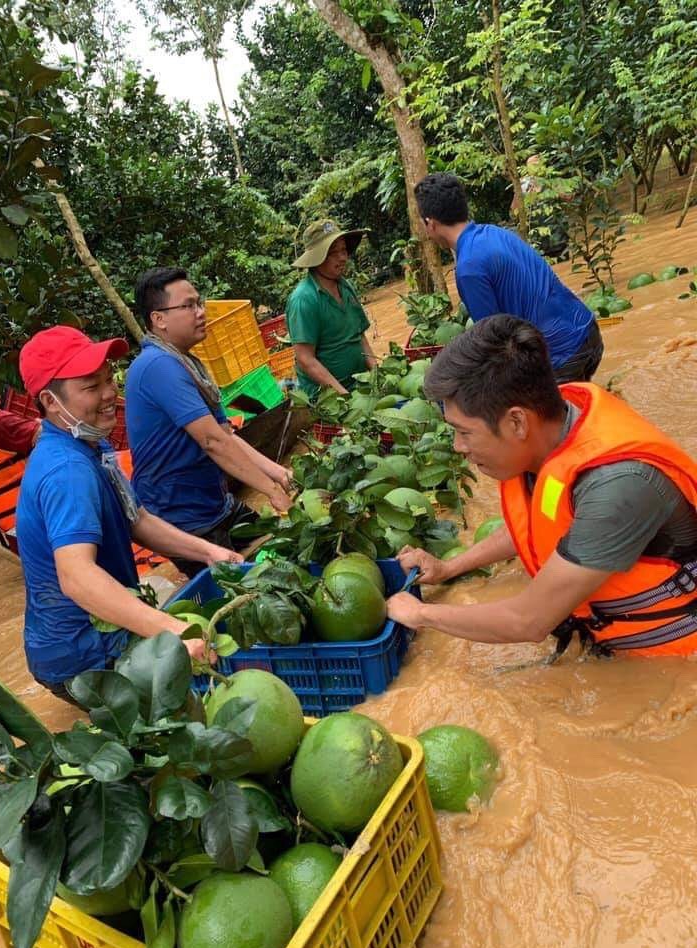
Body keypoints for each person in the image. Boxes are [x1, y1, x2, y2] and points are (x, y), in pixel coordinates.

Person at [387, 313, 697, 658]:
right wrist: (449, 567)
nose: (459, 447)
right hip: (607, 634)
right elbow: (538, 522)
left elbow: (529, 620)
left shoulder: (617, 487)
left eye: (465, 432)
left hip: (675, 660)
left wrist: (421, 614)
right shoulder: (549, 426)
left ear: (517, 421)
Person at [16, 325, 243, 701]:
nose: (109, 394)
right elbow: (76, 576)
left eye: (109, 379)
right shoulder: (66, 472)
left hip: (99, 633)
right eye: (91, 387)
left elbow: (136, 518)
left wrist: (209, 552)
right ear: (51, 402)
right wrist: (169, 630)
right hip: (84, 657)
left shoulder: (90, 442)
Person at [126, 268, 292, 578]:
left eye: (199, 303)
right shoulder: (157, 366)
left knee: (280, 552)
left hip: (216, 504)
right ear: (158, 319)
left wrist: (280, 474)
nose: (200, 312)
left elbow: (225, 435)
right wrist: (270, 489)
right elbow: (212, 442)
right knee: (250, 591)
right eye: (188, 306)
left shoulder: (186, 363)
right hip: (185, 519)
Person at [415, 172, 602, 383]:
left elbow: (495, 344)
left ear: (430, 223)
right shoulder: (496, 232)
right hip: (588, 332)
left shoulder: (469, 268)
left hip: (562, 357)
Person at [286, 219, 378, 398]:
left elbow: (359, 336)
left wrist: (377, 375)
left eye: (343, 250)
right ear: (316, 258)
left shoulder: (345, 287)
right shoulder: (304, 299)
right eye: (333, 253)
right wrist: (344, 396)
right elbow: (306, 359)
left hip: (360, 385)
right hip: (329, 398)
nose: (342, 257)